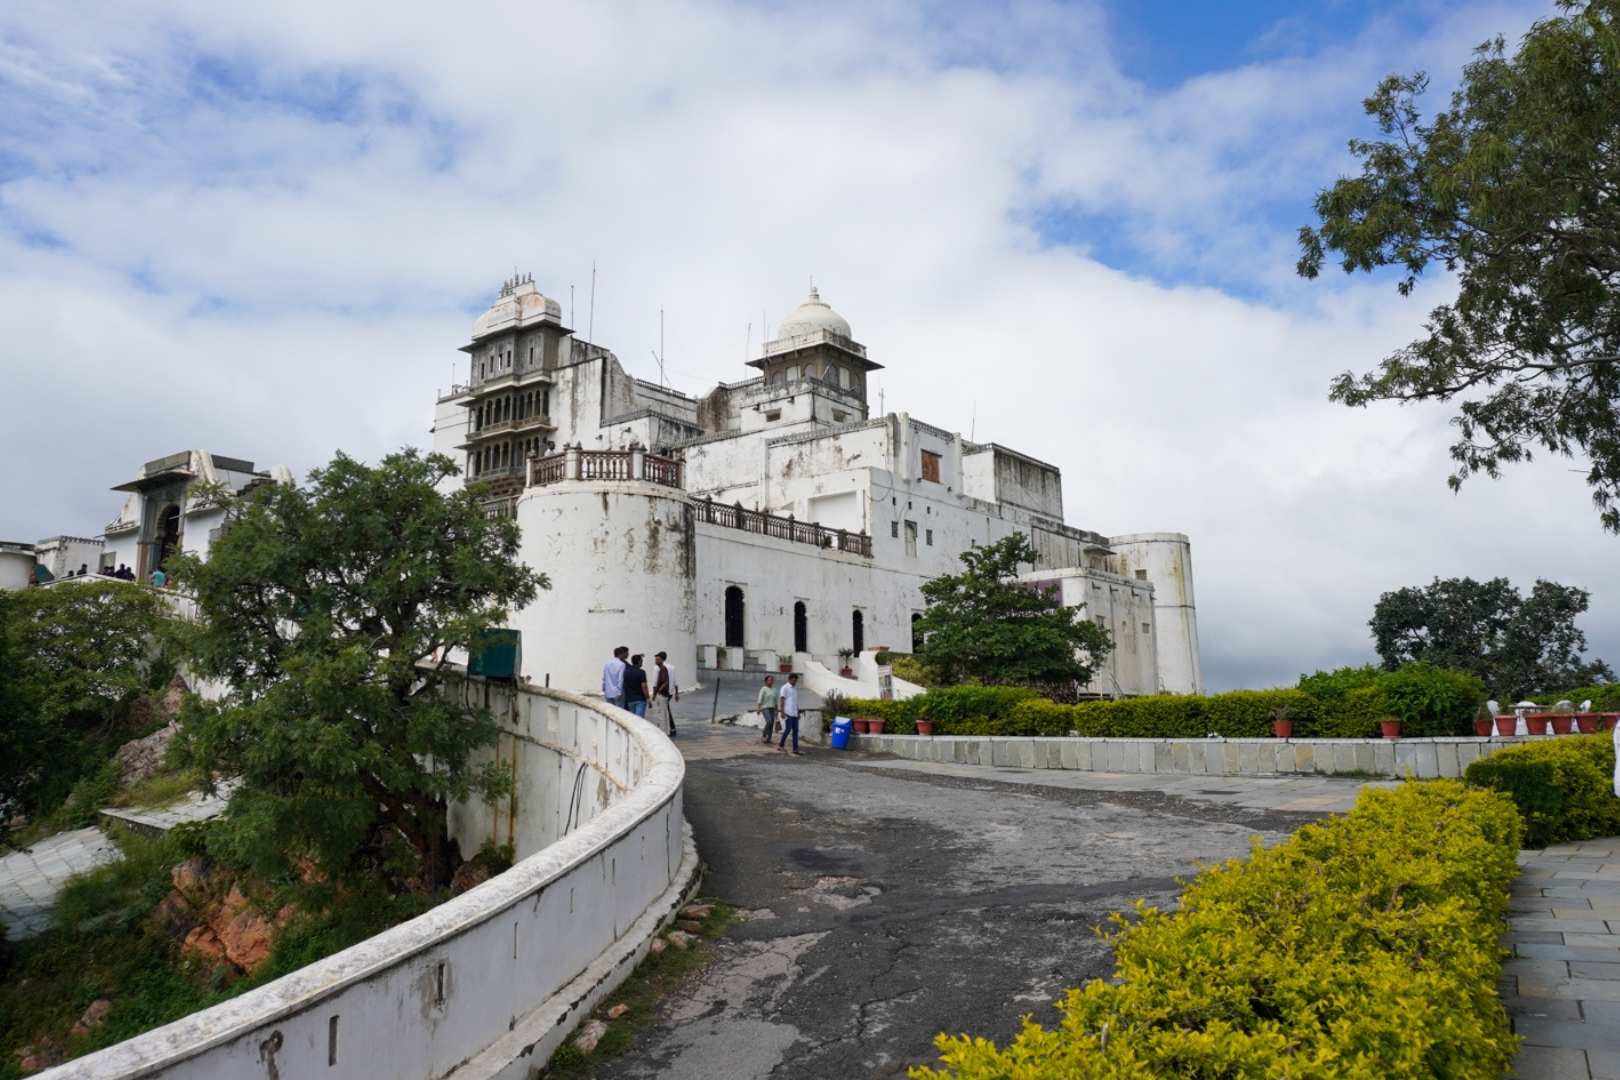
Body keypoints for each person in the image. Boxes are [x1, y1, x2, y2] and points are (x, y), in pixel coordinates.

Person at [653, 651, 679, 737]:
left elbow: (655, 682)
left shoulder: (657, 668)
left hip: (662, 693)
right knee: (666, 710)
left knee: (663, 711)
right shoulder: (672, 667)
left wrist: (654, 694)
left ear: (661, 659)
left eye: (657, 659)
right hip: (670, 692)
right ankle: (670, 728)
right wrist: (677, 693)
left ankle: (667, 729)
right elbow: (675, 681)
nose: (656, 660)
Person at [777, 673, 802, 755]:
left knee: (796, 731)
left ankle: (795, 749)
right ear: (789, 679)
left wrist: (798, 712)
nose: (795, 682)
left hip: (794, 713)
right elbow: (782, 700)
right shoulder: (784, 688)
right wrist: (782, 712)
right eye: (794, 680)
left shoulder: (795, 689)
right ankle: (781, 745)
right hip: (788, 712)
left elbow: (796, 702)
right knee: (788, 730)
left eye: (796, 680)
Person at [623, 654, 649, 718]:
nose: (642, 663)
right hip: (640, 700)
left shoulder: (626, 672)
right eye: (641, 661)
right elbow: (644, 686)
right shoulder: (641, 672)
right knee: (639, 719)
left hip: (630, 700)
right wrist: (648, 698)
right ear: (639, 662)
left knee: (633, 719)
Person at [757, 675, 779, 744]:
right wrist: (758, 708)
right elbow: (760, 699)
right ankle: (764, 734)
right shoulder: (763, 689)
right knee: (769, 721)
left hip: (772, 708)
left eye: (772, 680)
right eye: (769, 680)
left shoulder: (775, 690)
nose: (771, 681)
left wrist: (777, 710)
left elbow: (775, 701)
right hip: (765, 708)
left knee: (772, 723)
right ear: (766, 681)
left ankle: (768, 739)